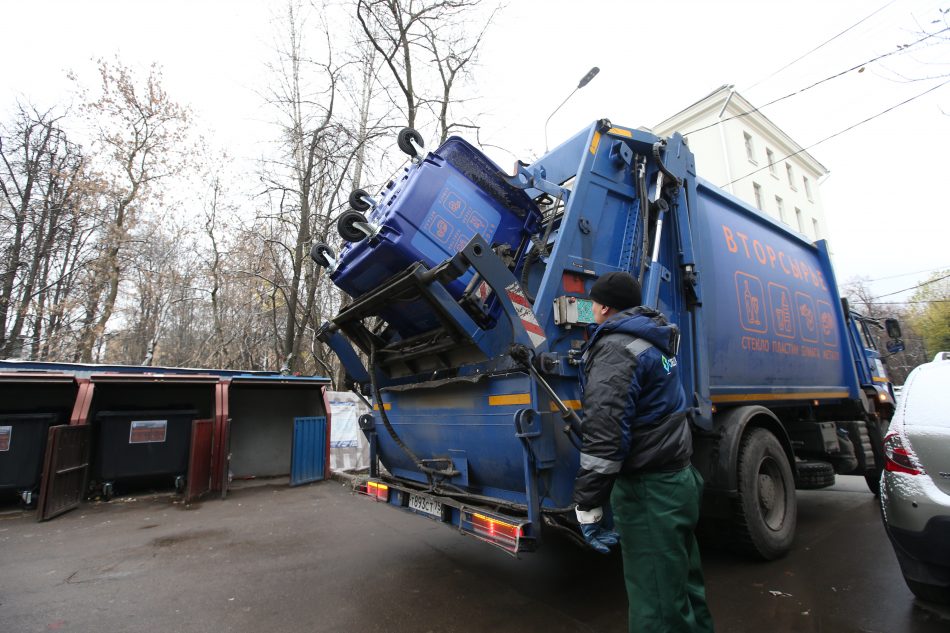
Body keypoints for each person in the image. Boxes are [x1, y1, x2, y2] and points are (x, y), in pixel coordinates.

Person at [573, 271, 714, 633]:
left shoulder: (617, 348)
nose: (590, 309)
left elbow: (605, 432)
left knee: (657, 606)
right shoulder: (653, 341)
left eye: (592, 303)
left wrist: (588, 502)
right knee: (683, 588)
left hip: (650, 490)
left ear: (603, 306)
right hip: (678, 481)